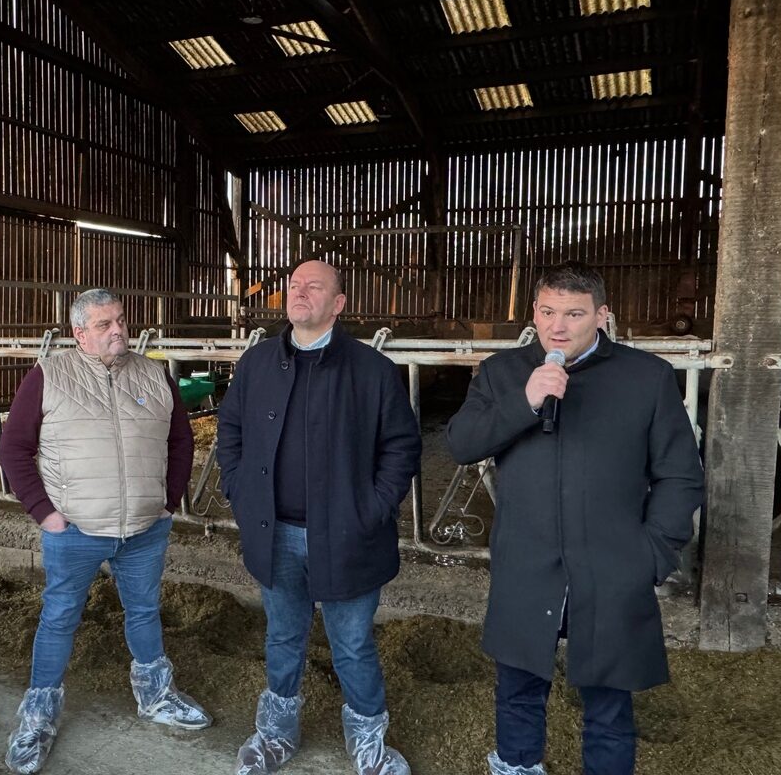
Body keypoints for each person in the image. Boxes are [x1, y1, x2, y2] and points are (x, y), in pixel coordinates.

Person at [445, 261, 706, 775]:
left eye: (573, 313)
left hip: (612, 564)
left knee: (608, 698)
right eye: (547, 311)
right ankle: (517, 766)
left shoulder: (645, 377)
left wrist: (652, 553)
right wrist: (526, 400)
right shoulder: (504, 373)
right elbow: (460, 444)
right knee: (518, 685)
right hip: (527, 559)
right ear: (534, 312)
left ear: (602, 315)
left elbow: (681, 476)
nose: (557, 327)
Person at [217, 260, 421, 775]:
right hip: (274, 531)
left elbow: (401, 447)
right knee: (283, 636)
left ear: (339, 303)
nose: (299, 292)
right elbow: (231, 432)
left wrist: (371, 509)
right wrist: (242, 493)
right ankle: (275, 735)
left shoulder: (371, 370)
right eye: (294, 286)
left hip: (348, 534)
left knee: (351, 643)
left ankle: (368, 743)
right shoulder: (258, 362)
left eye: (314, 286)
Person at [0, 288, 210, 774]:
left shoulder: (154, 374)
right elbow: (13, 450)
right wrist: (44, 512)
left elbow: (181, 440)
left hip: (144, 527)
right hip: (75, 528)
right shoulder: (48, 376)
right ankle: (39, 712)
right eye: (103, 324)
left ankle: (156, 695)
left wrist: (167, 501)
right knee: (60, 616)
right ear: (79, 334)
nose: (117, 330)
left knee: (144, 610)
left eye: (120, 320)